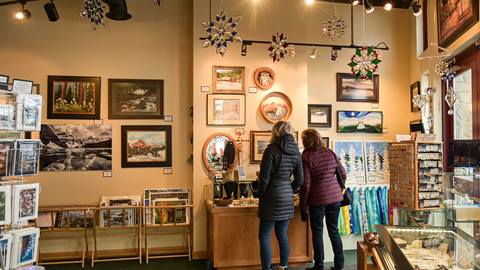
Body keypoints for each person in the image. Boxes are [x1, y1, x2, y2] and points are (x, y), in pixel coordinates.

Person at [258, 121, 304, 270]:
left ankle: (267, 268)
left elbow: (264, 178)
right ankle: (283, 266)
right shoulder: (297, 152)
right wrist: (288, 189)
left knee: (264, 235)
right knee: (282, 235)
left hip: (271, 196)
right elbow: (300, 179)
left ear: (276, 132)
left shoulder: (271, 150)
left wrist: (260, 194)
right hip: (286, 197)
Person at [300, 129, 346, 270]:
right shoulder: (330, 152)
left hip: (317, 200)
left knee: (317, 233)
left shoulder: (307, 156)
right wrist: (337, 189)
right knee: (334, 231)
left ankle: (319, 265)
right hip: (335, 199)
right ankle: (339, 265)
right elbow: (343, 174)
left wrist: (303, 206)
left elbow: (306, 185)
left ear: (306, 141)